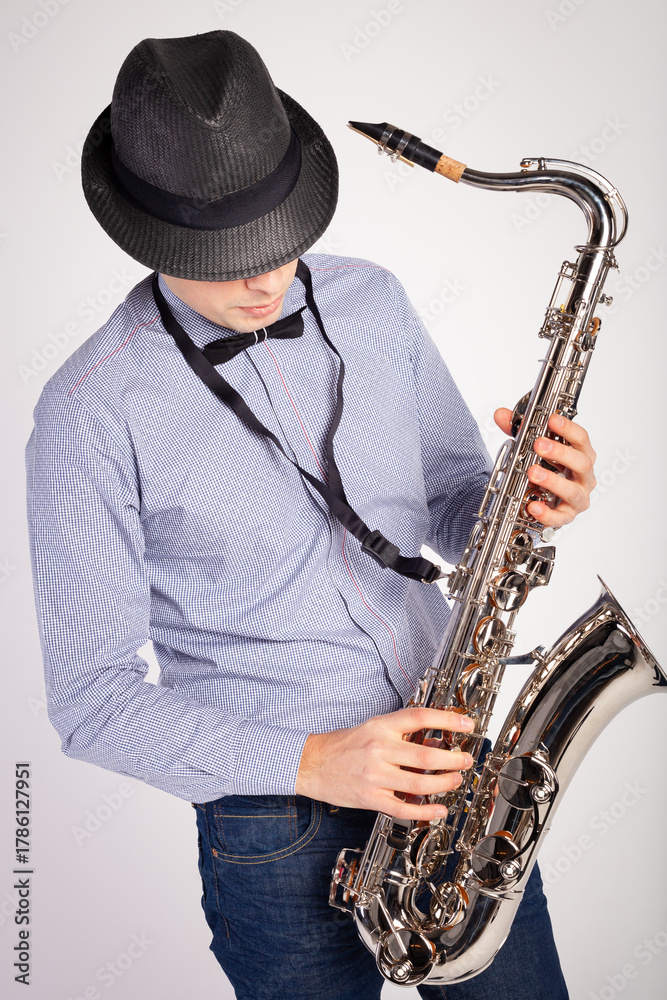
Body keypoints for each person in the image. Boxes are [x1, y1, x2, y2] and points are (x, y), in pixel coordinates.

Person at [26, 30, 595, 1000]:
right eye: (228, 251)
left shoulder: (375, 301)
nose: (265, 275)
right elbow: (90, 704)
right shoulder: (87, 413)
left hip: (451, 768)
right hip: (275, 826)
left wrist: (531, 502)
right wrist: (313, 760)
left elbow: (457, 512)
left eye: (282, 235)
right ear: (147, 233)